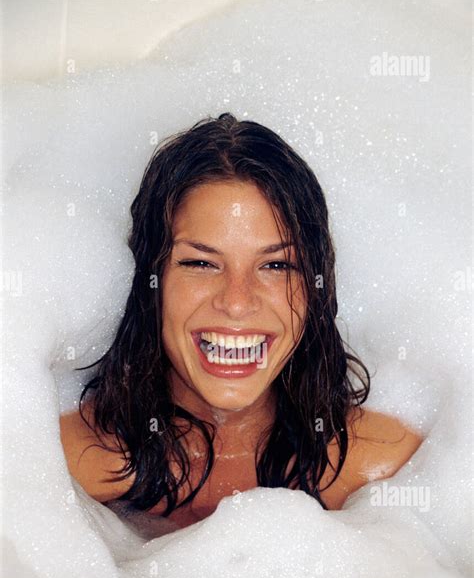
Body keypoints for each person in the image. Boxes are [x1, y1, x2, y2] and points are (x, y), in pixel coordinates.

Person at [60, 113, 423, 540]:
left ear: (315, 288)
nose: (236, 302)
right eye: (200, 263)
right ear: (148, 283)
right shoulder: (63, 466)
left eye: (276, 265)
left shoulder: (388, 468)